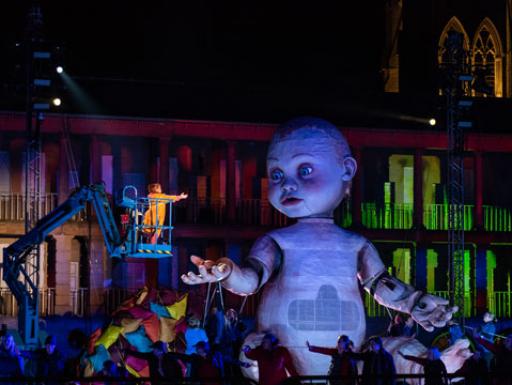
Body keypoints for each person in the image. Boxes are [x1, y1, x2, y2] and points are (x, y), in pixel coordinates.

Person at [182, 117, 458, 375]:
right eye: (276, 175)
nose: (288, 184)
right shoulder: (277, 242)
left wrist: (414, 302)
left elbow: (379, 283)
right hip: (278, 355)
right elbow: (251, 279)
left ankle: (438, 369)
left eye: (305, 170)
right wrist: (227, 271)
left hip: (349, 355)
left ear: (346, 170)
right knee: (253, 352)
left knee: (399, 352)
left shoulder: (355, 244)